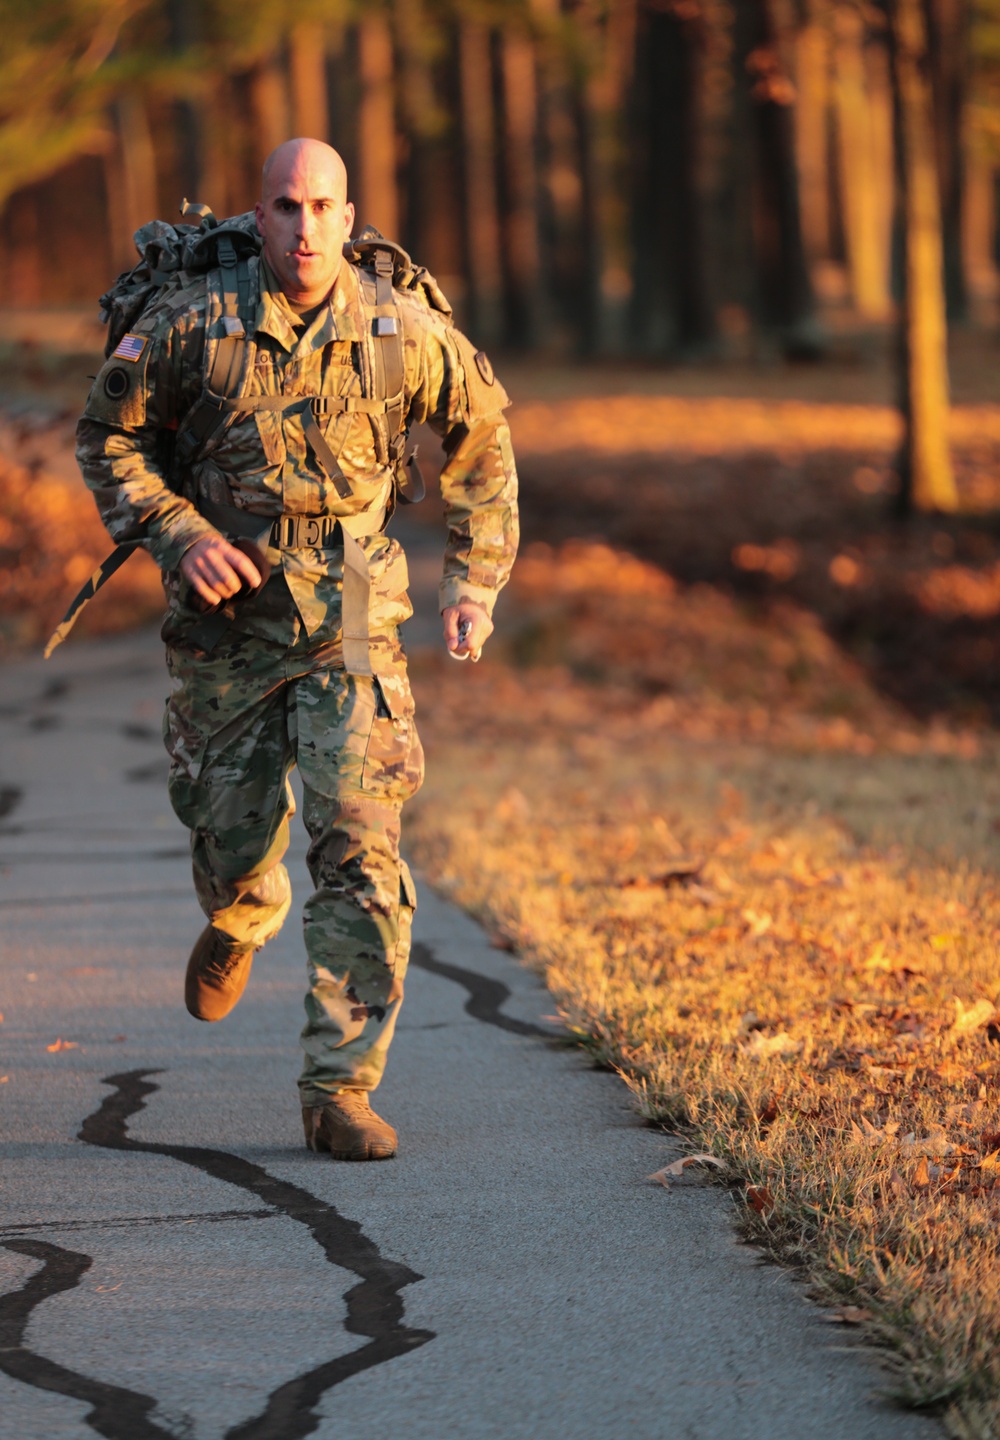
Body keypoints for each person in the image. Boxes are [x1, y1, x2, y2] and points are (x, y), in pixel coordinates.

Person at [75, 138, 518, 1161]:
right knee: (229, 835)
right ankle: (242, 908)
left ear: (350, 215)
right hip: (226, 619)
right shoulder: (192, 325)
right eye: (285, 206)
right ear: (259, 215)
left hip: (356, 612)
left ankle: (340, 1090)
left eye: (323, 206)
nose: (306, 227)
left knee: (362, 848)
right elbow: (110, 442)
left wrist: (474, 582)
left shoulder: (402, 331)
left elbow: (483, 448)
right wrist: (179, 534)